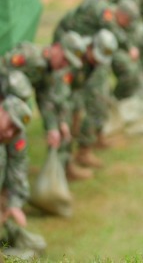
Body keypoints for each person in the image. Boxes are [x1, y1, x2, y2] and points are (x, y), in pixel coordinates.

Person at [0, 32, 91, 179]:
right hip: (4, 112)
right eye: (65, 59)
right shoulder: (30, 56)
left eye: (69, 63)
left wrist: (53, 127)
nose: (64, 65)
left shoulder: (50, 72)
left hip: (13, 116)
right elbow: (3, 69)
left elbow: (46, 100)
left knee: (16, 150)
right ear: (57, 47)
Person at [0, 95, 46, 256]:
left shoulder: (14, 136)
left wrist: (14, 203)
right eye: (10, 124)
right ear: (1, 110)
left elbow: (18, 165)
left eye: (16, 129)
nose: (9, 132)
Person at [69, 29, 118, 172]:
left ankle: (86, 148)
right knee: (75, 116)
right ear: (90, 46)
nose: (96, 61)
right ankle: (72, 159)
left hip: (78, 85)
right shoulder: (76, 52)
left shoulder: (95, 62)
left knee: (98, 102)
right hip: (67, 89)